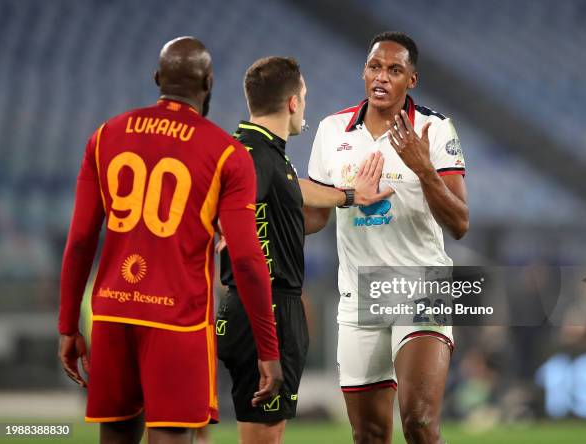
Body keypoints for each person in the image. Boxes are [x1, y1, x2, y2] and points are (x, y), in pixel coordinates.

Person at [58, 36, 283, 444]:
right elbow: (248, 261)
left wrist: (67, 324)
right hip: (178, 319)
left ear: (157, 78)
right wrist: (268, 349)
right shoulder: (227, 155)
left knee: (116, 436)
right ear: (209, 82)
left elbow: (79, 242)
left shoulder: (105, 136)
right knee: (172, 438)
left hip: (113, 314)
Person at [216, 56, 393, 444]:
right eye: (305, 98)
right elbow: (240, 196)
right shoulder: (254, 156)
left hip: (249, 307)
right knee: (264, 435)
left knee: (258, 430)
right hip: (268, 308)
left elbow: (291, 186)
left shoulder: (257, 151)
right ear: (293, 102)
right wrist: (222, 223)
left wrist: (349, 195)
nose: (305, 107)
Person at [306, 32, 469, 444]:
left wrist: (423, 167)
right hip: (360, 294)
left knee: (418, 421)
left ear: (411, 79)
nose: (381, 77)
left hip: (422, 286)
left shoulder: (434, 129)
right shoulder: (331, 130)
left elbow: (460, 223)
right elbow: (313, 218)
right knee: (370, 433)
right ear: (364, 72)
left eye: (394, 70)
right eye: (374, 67)